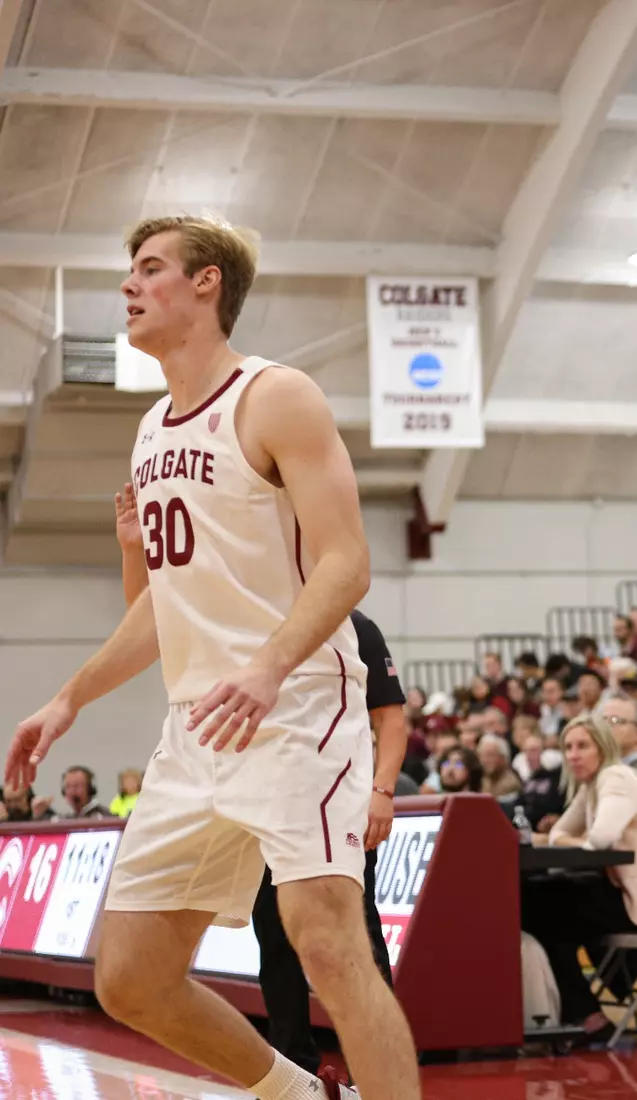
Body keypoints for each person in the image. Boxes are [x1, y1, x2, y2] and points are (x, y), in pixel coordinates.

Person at [7, 215, 414, 1099]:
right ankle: (300, 1093)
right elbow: (164, 604)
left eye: (149, 268)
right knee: (130, 978)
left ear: (206, 286)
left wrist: (269, 664)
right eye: (130, 270)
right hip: (198, 724)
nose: (129, 285)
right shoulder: (152, 428)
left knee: (327, 938)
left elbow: (347, 560)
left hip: (299, 699)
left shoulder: (276, 395)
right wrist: (69, 699)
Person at [252, 609, 407, 1077]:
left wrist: (382, 792)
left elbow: (392, 720)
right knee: (273, 937)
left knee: (355, 937)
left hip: (340, 803)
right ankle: (294, 1070)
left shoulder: (356, 626)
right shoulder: (252, 621)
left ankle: (381, 1063)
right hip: (269, 807)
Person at [523, 714, 637, 1045]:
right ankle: (581, 1015)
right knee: (536, 902)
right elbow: (559, 833)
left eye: (582, 746)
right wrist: (567, 839)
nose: (573, 754)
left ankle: (583, 1016)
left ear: (602, 747)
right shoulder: (592, 784)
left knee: (535, 905)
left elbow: (598, 839)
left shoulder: (616, 776)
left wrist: (567, 840)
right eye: (568, 747)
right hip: (625, 890)